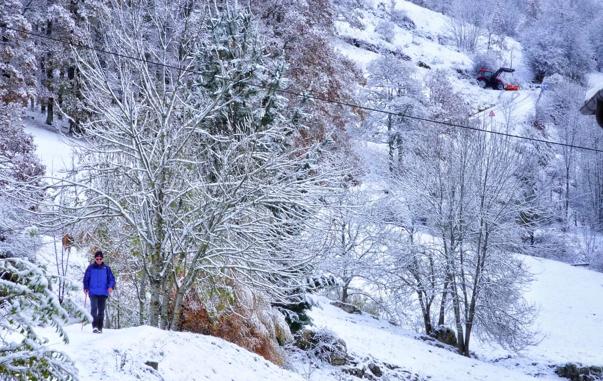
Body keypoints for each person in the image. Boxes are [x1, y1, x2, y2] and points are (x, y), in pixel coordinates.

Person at [83, 250, 116, 333]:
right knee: (94, 309)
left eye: (100, 259)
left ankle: (100, 327)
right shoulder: (90, 268)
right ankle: (95, 327)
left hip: (103, 292)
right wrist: (86, 287)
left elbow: (111, 279)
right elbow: (86, 278)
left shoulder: (106, 268)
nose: (98, 260)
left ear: (102, 259)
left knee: (101, 310)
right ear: (95, 259)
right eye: (97, 259)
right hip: (93, 292)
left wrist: (110, 287)